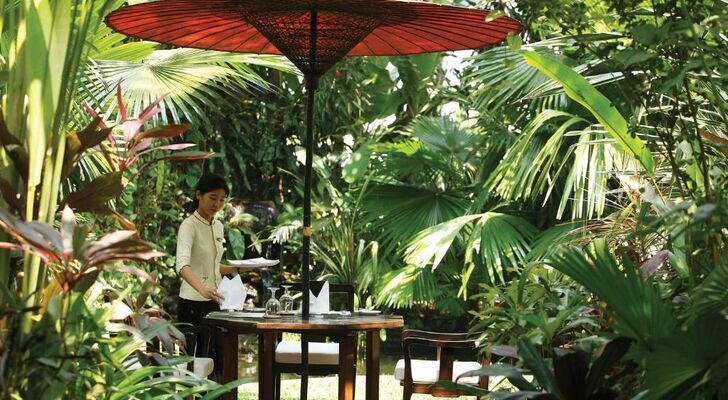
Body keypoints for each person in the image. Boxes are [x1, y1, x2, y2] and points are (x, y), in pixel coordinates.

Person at [175, 173, 256, 376]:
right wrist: (203, 289)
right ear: (198, 195)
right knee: (195, 367)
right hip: (192, 304)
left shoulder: (218, 226)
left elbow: (213, 266)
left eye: (222, 199)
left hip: (216, 302)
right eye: (213, 198)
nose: (217, 204)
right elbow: (182, 266)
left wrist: (239, 269)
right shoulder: (188, 226)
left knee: (219, 361)